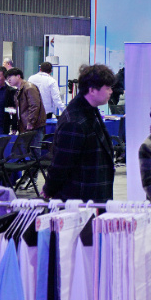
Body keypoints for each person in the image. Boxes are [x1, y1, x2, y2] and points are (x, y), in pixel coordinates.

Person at [44, 65, 117, 201]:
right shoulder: (74, 122)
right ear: (92, 90)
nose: (111, 91)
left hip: (93, 194)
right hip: (80, 199)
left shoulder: (90, 110)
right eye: (107, 88)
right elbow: (61, 164)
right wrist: (49, 189)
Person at [5, 69, 46, 135]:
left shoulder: (29, 88)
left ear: (18, 76)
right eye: (7, 78)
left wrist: (31, 122)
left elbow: (34, 106)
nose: (8, 80)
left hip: (33, 126)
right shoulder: (18, 90)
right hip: (24, 125)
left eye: (10, 77)